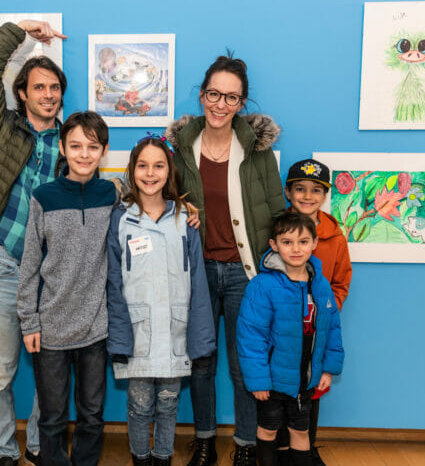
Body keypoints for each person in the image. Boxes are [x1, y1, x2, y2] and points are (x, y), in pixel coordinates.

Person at [165, 55, 284, 466]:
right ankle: (203, 442)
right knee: (200, 362)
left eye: (231, 97)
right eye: (214, 94)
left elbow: (274, 212)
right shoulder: (180, 149)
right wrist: (183, 208)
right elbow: (161, 200)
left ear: (242, 103)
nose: (220, 104)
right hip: (196, 272)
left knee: (242, 365)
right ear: (202, 96)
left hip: (244, 275)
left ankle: (247, 445)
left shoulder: (259, 154)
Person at [0, 19, 66, 466]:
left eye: (54, 88)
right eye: (39, 87)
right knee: (1, 373)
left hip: (50, 276)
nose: (48, 95)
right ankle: (6, 453)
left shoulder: (72, 143)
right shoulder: (2, 128)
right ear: (22, 93)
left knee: (51, 375)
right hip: (4, 267)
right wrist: (20, 31)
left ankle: (41, 447)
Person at [106, 135, 217, 466]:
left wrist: (200, 335)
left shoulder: (186, 219)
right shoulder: (120, 218)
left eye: (158, 166)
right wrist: (118, 332)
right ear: (132, 170)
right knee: (139, 405)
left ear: (170, 172)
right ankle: (141, 458)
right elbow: (113, 280)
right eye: (142, 166)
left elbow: (197, 279)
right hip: (136, 332)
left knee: (169, 403)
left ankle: (163, 458)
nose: (150, 173)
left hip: (174, 331)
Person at [17, 111, 117, 466]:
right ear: (62, 148)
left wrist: (187, 210)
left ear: (104, 150)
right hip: (52, 329)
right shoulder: (43, 197)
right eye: (75, 146)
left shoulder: (111, 195)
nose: (84, 154)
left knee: (91, 414)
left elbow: (152, 208)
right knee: (53, 416)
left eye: (93, 147)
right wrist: (29, 321)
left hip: (95, 326)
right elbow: (29, 263)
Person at [236, 212, 344, 466]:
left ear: (314, 243)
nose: (296, 249)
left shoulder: (321, 285)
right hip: (272, 382)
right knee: (269, 430)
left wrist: (328, 369)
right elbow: (251, 338)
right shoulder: (261, 286)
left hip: (305, 381)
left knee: (300, 431)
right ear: (274, 245)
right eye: (287, 242)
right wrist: (259, 381)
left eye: (303, 242)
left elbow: (333, 330)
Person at [279, 159, 352, 465]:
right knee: (280, 389)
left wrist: (325, 309)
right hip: (282, 330)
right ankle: (279, 447)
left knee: (311, 388)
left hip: (316, 329)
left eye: (315, 191)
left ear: (325, 196)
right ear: (288, 192)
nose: (307, 196)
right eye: (300, 189)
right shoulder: (277, 230)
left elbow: (341, 280)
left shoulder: (334, 236)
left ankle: (306, 447)